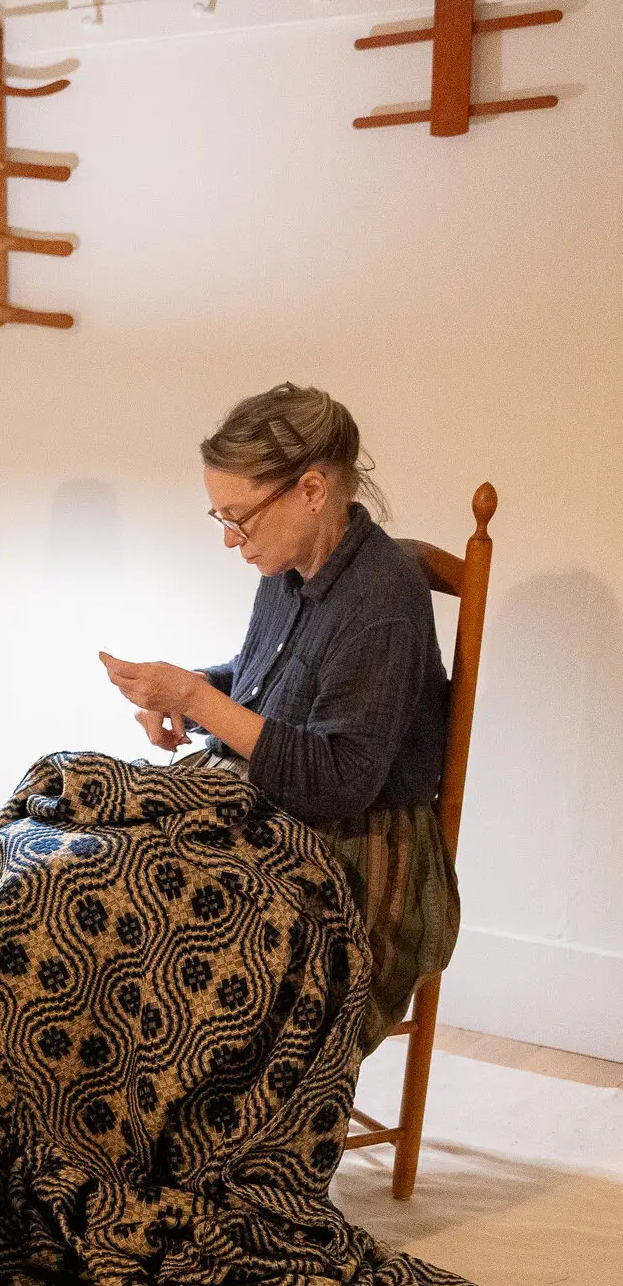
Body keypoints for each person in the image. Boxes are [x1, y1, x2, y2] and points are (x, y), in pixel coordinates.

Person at [97, 381, 458, 1048]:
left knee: (121, 918)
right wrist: (189, 691)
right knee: (66, 860)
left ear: (313, 491)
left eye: (240, 516)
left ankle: (165, 1125)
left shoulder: (383, 600)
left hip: (355, 855)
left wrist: (197, 700)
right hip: (270, 814)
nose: (231, 539)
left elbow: (340, 778)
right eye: (221, 518)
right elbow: (264, 686)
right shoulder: (286, 571)